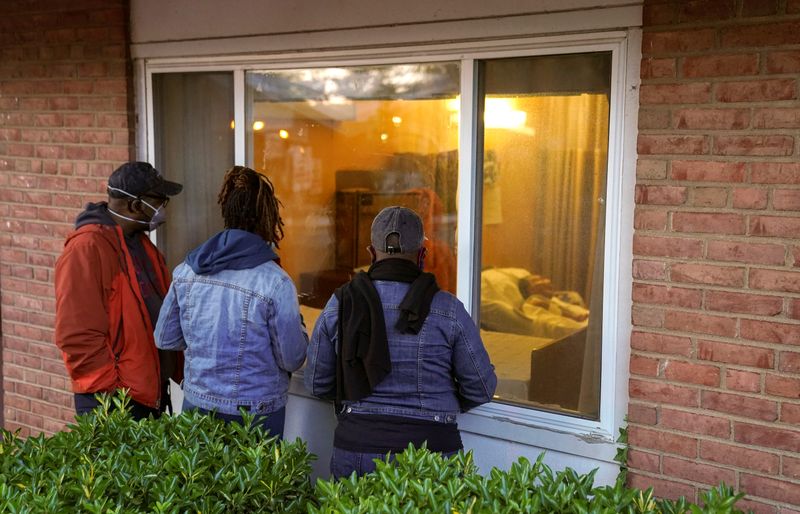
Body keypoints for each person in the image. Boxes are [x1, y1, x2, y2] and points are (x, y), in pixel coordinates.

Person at [304, 206, 497, 478]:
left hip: (358, 448)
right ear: (422, 256)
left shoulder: (341, 304)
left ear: (371, 254)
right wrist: (441, 397)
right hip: (432, 454)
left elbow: (316, 383)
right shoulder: (449, 309)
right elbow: (481, 388)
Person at [155, 166, 308, 438]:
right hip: (256, 413)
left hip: (197, 404)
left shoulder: (187, 271)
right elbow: (293, 359)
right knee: (256, 482)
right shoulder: (275, 282)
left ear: (225, 211)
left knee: (199, 481)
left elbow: (165, 338)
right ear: (267, 215)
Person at [55, 161, 183, 419]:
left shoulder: (142, 245)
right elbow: (77, 334)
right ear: (136, 205)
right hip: (114, 400)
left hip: (146, 393)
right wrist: (111, 395)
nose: (162, 208)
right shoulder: (88, 248)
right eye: (159, 201)